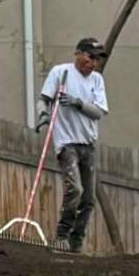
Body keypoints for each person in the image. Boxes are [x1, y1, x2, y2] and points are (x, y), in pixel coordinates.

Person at [39, 38, 109, 253]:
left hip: (87, 143)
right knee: (75, 189)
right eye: (90, 57)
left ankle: (76, 241)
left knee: (88, 199)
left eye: (97, 59)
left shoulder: (97, 80)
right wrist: (42, 114)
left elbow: (99, 111)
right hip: (66, 142)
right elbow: (44, 99)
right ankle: (62, 235)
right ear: (78, 53)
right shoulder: (61, 72)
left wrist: (77, 103)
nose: (93, 63)